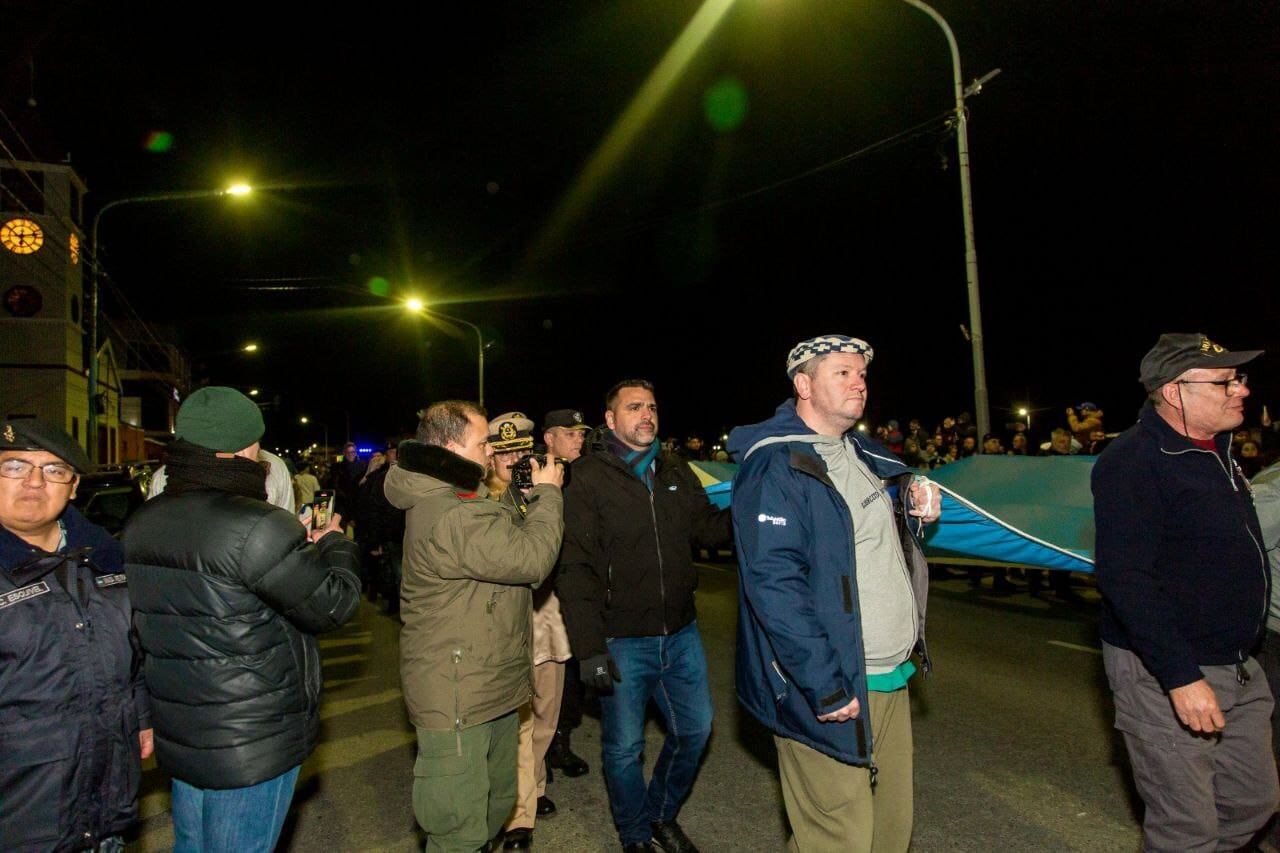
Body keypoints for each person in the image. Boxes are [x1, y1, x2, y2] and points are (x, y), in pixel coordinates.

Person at [123, 387, 361, 852]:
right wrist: (335, 544)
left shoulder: (144, 522)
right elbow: (333, 604)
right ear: (241, 448)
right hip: (251, 735)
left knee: (193, 844)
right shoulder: (257, 526)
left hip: (185, 729)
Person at [728, 335, 940, 853]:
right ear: (803, 385)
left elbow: (857, 544)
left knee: (891, 831)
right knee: (838, 837)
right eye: (841, 373)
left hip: (889, 675)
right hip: (831, 681)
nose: (858, 383)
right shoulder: (776, 465)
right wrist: (823, 684)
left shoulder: (860, 452)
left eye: (862, 374)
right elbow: (774, 585)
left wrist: (911, 509)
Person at [1093, 333, 1277, 851]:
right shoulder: (1134, 460)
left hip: (1237, 662)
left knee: (1252, 802)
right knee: (1186, 826)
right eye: (1225, 381)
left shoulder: (1216, 450)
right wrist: (1180, 677)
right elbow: (1126, 579)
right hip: (1167, 669)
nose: (1240, 390)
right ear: (1176, 392)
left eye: (1239, 379)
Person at [558, 380, 732, 853]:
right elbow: (574, 568)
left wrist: (752, 506)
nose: (647, 415)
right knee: (624, 747)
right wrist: (589, 648)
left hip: (681, 633)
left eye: (652, 406)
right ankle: (634, 836)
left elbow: (706, 527)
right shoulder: (587, 477)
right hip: (620, 639)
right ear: (610, 419)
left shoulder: (674, 468)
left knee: (695, 729)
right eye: (634, 407)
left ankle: (659, 815)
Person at [386, 401, 564, 853]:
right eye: (483, 442)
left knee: (493, 805)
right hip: (459, 691)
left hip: (491, 682)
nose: (491, 452)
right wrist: (547, 494)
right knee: (459, 828)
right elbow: (530, 559)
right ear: (448, 445)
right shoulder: (447, 510)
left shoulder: (463, 496)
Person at [0, 419, 152, 852]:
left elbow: (133, 653)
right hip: (20, 826)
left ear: (73, 486)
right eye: (15, 466)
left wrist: (140, 717)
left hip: (103, 818)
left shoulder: (106, 563)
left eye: (53, 470)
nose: (34, 482)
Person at [484, 413, 574, 850]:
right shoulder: (481, 502)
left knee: (545, 718)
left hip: (547, 620)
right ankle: (518, 814)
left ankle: (534, 788)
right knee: (518, 723)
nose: (514, 461)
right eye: (504, 454)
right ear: (489, 457)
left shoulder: (550, 492)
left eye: (521, 451)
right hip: (508, 625)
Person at [540, 409, 594, 781]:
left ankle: (561, 741)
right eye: (570, 433)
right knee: (545, 670)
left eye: (581, 434)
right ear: (549, 438)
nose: (579, 439)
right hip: (546, 588)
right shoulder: (534, 475)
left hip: (582, 586)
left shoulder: (587, 472)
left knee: (574, 668)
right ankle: (536, 755)